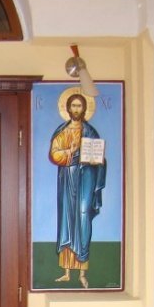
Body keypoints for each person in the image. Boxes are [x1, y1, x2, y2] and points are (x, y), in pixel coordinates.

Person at [48, 91, 106, 289]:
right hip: (68, 177)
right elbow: (54, 154)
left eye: (79, 106)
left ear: (84, 109)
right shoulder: (62, 131)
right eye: (73, 106)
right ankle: (66, 272)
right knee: (67, 219)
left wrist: (96, 159)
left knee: (83, 217)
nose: (76, 109)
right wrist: (69, 152)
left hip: (86, 177)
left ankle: (82, 273)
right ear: (67, 108)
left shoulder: (90, 132)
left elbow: (98, 156)